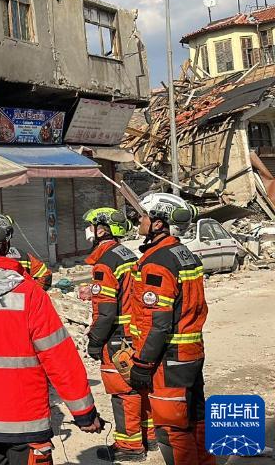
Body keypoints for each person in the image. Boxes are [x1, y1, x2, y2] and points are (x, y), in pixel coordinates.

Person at [0, 212, 103, 465]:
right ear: (3, 243)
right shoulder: (29, 294)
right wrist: (84, 412)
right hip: (26, 423)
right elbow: (58, 356)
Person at [129, 194, 212, 465]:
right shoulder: (184, 253)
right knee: (195, 417)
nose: (139, 220)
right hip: (191, 352)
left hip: (169, 357)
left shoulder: (158, 262)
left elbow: (158, 321)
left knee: (171, 426)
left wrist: (142, 362)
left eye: (144, 216)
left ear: (158, 224)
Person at [83, 208, 155, 462]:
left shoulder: (105, 262)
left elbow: (105, 311)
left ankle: (130, 446)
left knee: (123, 392)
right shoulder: (125, 254)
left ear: (101, 230)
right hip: (134, 331)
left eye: (91, 226)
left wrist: (94, 341)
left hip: (117, 336)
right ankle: (150, 435)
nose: (88, 231)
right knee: (139, 385)